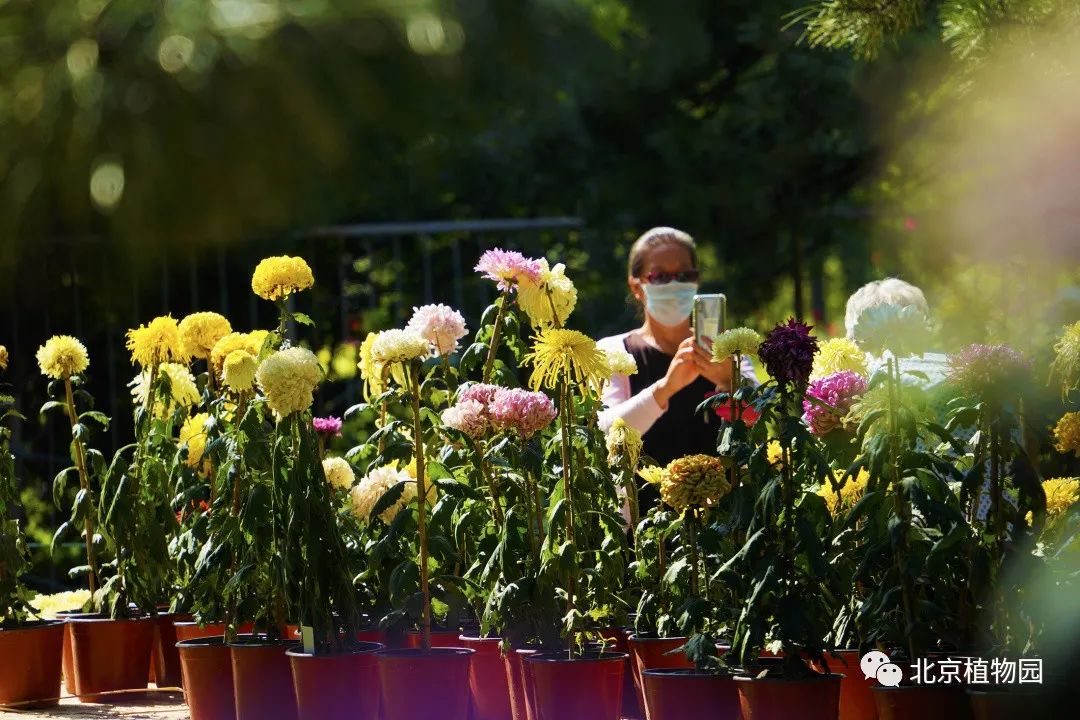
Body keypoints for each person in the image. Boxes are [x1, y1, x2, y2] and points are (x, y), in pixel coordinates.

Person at [598, 227, 757, 511]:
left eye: (684, 275)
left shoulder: (729, 352)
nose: (674, 284)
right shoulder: (614, 352)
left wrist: (729, 383)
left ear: (696, 281)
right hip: (643, 527)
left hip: (724, 523)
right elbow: (604, 433)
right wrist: (666, 387)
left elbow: (760, 423)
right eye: (660, 276)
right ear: (636, 286)